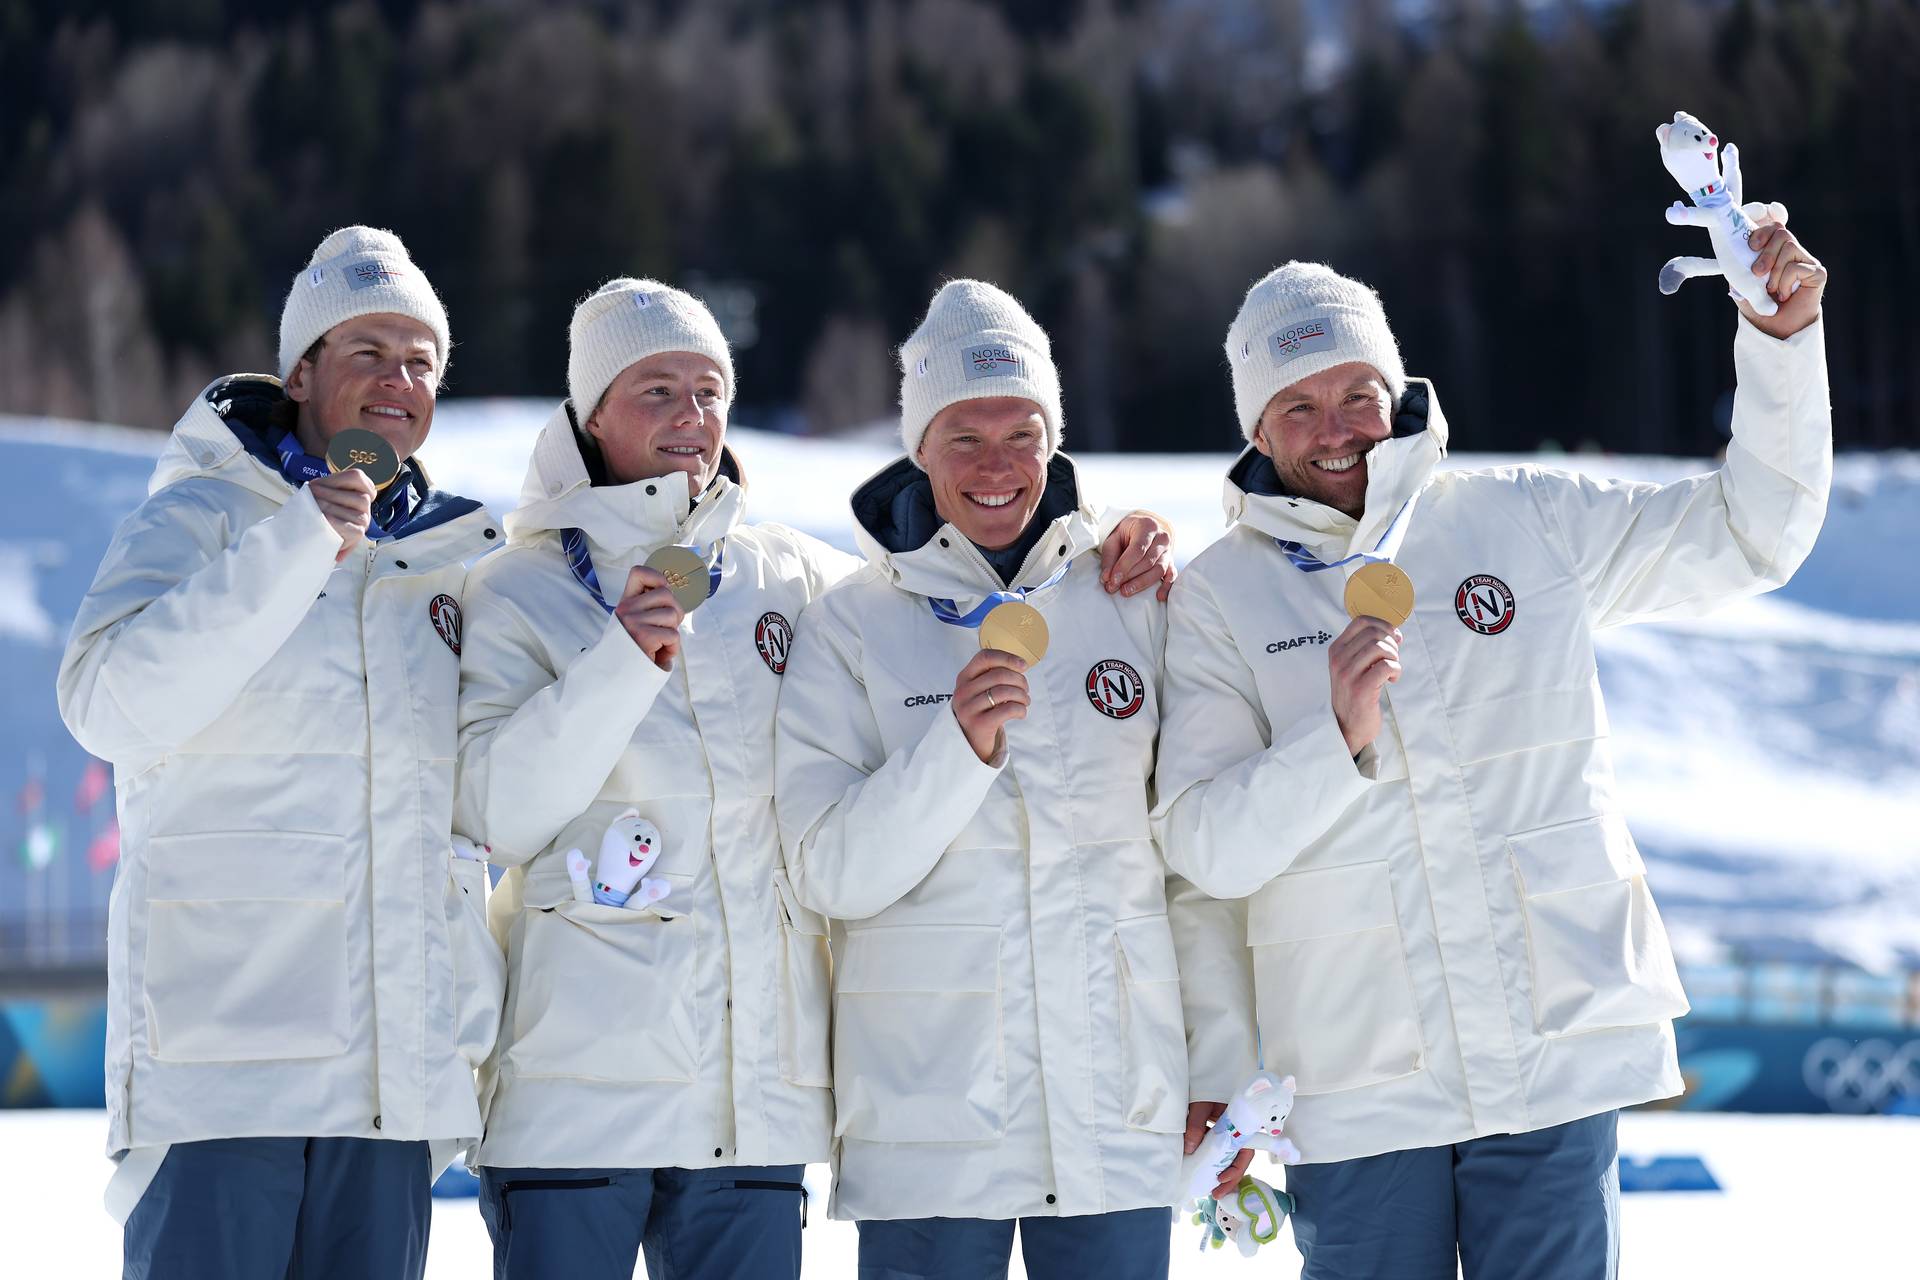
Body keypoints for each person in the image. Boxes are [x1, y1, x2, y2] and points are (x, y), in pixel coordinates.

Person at [453, 278, 1175, 1280]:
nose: (690, 415)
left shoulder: (790, 576)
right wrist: (619, 662)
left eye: (708, 390)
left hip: (756, 1102)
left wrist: (1108, 535)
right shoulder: (517, 589)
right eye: (656, 389)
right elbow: (499, 817)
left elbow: (946, 578)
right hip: (575, 1093)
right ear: (591, 412)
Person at [1151, 224, 1830, 1279]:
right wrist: (1335, 741)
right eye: (1298, 407)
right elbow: (1203, 849)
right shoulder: (1218, 598)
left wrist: (1780, 344)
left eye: (1355, 394)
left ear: (1395, 390)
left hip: (1552, 1054)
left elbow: (1752, 531)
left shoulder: (1521, 519)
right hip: (1358, 1082)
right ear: (1257, 428)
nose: (1337, 431)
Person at [774, 280, 1254, 1280]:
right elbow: (828, 872)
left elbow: (1188, 863)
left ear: (1054, 441)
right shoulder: (849, 626)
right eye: (965, 437)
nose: (997, 466)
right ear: (919, 447)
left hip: (1119, 1112)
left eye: (1022, 435)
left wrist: (1218, 1061)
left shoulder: (1136, 597)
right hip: (932, 1127)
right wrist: (956, 748)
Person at [57, 225, 504, 1279]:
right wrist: (299, 543)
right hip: (226, 1069)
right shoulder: (201, 513)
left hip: (391, 1084)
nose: (397, 381)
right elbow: (106, 702)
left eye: (420, 361)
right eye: (367, 352)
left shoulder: (449, 557)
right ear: (300, 372)